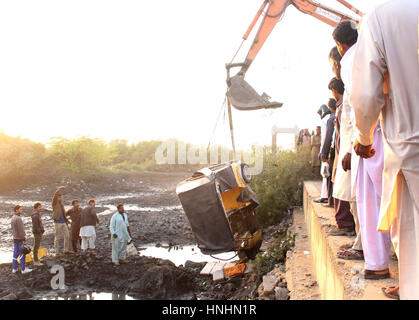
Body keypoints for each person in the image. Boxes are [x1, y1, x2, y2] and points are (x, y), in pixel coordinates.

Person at [351, 0, 419, 299]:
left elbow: (366, 94)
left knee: (413, 241)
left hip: (410, 148)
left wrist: (364, 137)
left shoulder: (381, 18)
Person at [334, 20, 392, 280]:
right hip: (391, 130)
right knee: (392, 199)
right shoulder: (382, 44)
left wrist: (359, 141)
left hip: (371, 135)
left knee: (371, 200)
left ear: (340, 44)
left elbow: (359, 101)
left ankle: (377, 263)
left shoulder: (351, 59)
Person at [327, 77, 356, 237]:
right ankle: (345, 223)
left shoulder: (343, 106)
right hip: (344, 150)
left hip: (345, 151)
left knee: (343, 190)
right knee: (341, 189)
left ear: (334, 90)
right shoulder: (341, 106)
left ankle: (345, 224)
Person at [320, 98, 337, 208]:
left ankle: (330, 201)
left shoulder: (330, 119)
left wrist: (323, 153)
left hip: (332, 151)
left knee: (330, 176)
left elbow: (327, 138)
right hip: (340, 150)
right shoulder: (339, 114)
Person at [314, 104, 331, 204]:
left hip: (325, 150)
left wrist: (322, 152)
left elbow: (325, 137)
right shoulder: (330, 117)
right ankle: (326, 196)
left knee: (325, 173)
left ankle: (325, 196)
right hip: (329, 149)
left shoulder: (325, 120)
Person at [11, 205, 32, 274]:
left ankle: (14, 268)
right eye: (20, 209)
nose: (21, 210)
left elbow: (13, 229)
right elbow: (21, 230)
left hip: (15, 238)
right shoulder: (18, 218)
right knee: (22, 253)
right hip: (20, 239)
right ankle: (23, 269)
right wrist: (24, 239)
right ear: (16, 210)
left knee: (15, 253)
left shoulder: (13, 218)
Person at [52, 186, 71, 256]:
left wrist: (67, 221)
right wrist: (58, 189)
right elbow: (54, 197)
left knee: (67, 235)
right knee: (57, 237)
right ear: (57, 198)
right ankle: (56, 252)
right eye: (59, 197)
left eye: (60, 197)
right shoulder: (54, 204)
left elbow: (64, 214)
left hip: (63, 222)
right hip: (57, 222)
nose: (60, 198)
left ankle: (66, 250)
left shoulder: (61, 205)